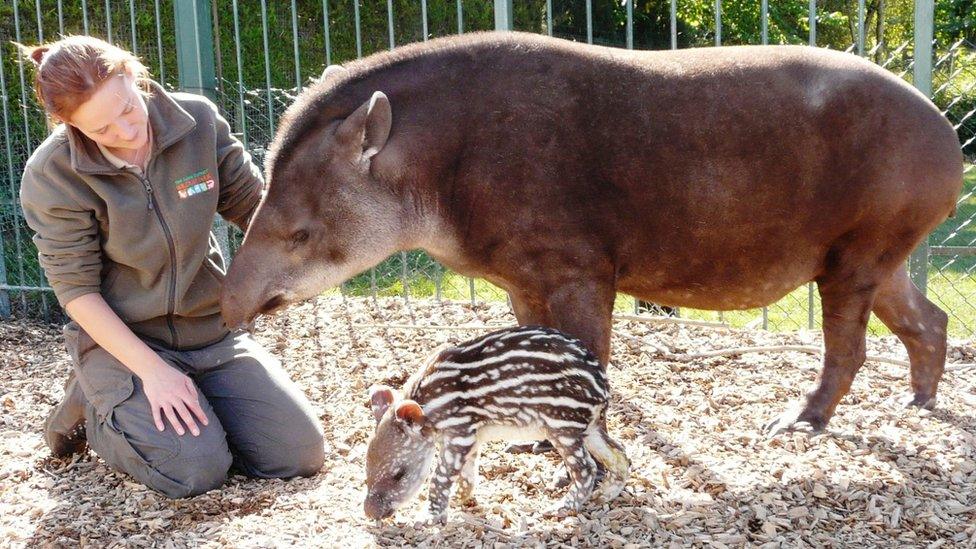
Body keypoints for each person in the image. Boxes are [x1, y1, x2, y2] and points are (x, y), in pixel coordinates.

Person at [17, 35, 325, 498]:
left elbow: (255, 208)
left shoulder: (196, 121)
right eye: (101, 130)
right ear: (69, 125)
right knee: (195, 473)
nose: (125, 131)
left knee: (297, 456)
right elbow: (77, 292)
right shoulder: (52, 174)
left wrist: (315, 246)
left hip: (210, 329)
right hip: (126, 342)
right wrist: (153, 373)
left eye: (126, 108)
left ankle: (183, 420)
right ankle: (99, 408)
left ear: (132, 75)